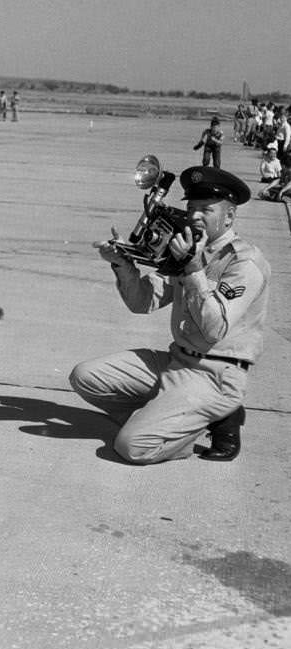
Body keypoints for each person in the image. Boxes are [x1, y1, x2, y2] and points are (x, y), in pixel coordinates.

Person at [70, 167, 267, 464]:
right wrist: (123, 265)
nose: (195, 216)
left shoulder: (244, 262)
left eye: (206, 210)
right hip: (176, 362)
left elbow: (214, 330)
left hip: (215, 374)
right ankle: (166, 417)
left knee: (132, 447)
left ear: (229, 217)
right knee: (85, 377)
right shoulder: (187, 249)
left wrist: (193, 269)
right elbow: (143, 302)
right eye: (191, 208)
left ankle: (209, 417)